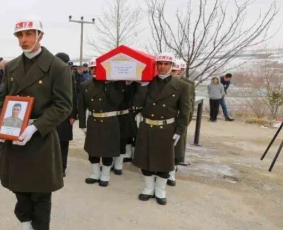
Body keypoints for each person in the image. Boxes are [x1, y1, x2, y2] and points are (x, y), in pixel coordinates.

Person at [0, 18, 72, 230]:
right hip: (14, 134)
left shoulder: (57, 67)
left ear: (40, 35)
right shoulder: (13, 66)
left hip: (39, 137)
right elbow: (2, 96)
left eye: (29, 34)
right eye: (19, 35)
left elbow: (63, 105)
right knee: (19, 189)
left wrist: (36, 127)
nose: (23, 40)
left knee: (40, 193)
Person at [132, 52, 192, 206]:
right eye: (160, 63)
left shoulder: (182, 86)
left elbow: (185, 111)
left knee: (164, 162)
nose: (163, 66)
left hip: (167, 128)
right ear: (156, 65)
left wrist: (180, 130)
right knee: (146, 160)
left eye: (166, 64)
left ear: (172, 66)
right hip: (147, 126)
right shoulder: (148, 83)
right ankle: (148, 188)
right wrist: (142, 86)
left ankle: (160, 190)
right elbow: (137, 103)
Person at [78, 58, 124, 187]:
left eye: (97, 68)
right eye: (92, 68)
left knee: (107, 150)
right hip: (93, 120)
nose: (94, 70)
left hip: (110, 121)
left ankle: (105, 175)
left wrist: (108, 84)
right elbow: (81, 106)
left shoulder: (115, 84)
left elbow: (118, 101)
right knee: (93, 150)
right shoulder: (85, 85)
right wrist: (82, 124)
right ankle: (95, 174)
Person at [170, 60, 195, 186]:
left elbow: (189, 106)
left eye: (177, 70)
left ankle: (172, 172)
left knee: (177, 149)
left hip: (179, 121)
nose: (176, 72)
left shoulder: (187, 84)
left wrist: (184, 123)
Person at [55, 52, 78, 177]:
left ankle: (62, 167)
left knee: (63, 142)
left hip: (65, 114)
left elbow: (73, 95)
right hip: (52, 113)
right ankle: (53, 166)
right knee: (51, 142)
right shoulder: (50, 73)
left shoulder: (70, 75)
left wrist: (73, 114)